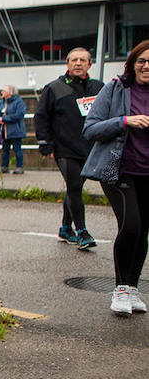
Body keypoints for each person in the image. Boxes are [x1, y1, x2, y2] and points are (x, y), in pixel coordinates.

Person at [81, 40, 149, 315]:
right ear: (132, 63)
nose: (147, 67)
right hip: (118, 170)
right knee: (130, 225)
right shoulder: (116, 88)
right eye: (142, 61)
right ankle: (120, 289)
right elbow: (91, 128)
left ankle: (132, 289)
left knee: (143, 231)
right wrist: (125, 121)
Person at [35, 48, 103, 249]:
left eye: (83, 60)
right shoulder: (54, 88)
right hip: (64, 148)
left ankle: (65, 228)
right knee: (74, 186)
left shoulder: (99, 88)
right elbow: (41, 117)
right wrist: (45, 144)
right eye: (74, 60)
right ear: (67, 64)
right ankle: (82, 232)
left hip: (89, 147)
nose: (78, 63)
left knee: (75, 188)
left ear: (90, 65)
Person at [0, 85, 27, 174]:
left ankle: (20, 167)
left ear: (10, 92)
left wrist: (4, 119)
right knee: (5, 149)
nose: (2, 92)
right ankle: (4, 167)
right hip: (4, 131)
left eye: (4, 90)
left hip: (15, 130)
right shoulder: (1, 102)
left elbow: (19, 115)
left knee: (17, 149)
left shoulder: (19, 102)